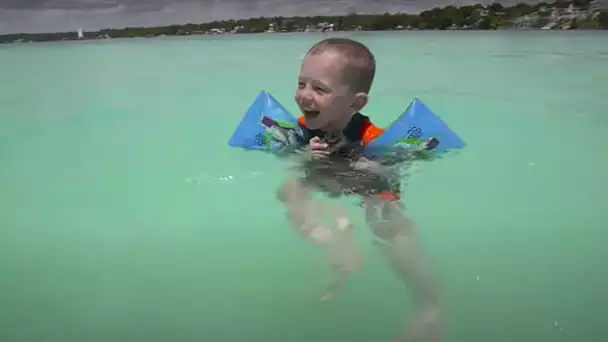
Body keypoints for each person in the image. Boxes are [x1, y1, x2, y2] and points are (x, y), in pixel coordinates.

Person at [276, 37, 441, 342]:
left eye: (319, 88)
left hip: (368, 186)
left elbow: (395, 167)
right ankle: (333, 239)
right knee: (287, 190)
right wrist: (303, 154)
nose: (304, 96)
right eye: (301, 84)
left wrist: (373, 167)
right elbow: (291, 159)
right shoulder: (299, 130)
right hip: (324, 176)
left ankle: (427, 303)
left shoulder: (371, 136)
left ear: (356, 101)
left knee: (386, 220)